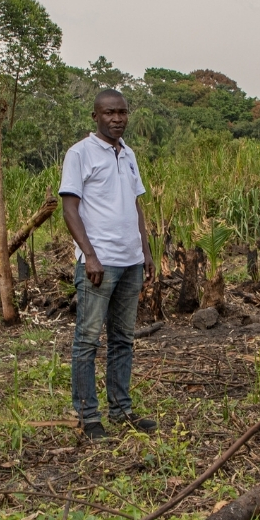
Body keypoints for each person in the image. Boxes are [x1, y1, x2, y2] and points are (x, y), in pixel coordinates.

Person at [59, 89, 156, 440]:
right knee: (87, 340)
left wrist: (146, 250)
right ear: (95, 116)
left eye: (122, 112)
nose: (117, 119)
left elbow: (136, 205)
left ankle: (121, 409)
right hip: (100, 263)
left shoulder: (128, 154)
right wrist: (90, 255)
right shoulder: (80, 153)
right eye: (109, 113)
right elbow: (69, 208)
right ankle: (88, 416)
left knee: (122, 340)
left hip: (130, 262)